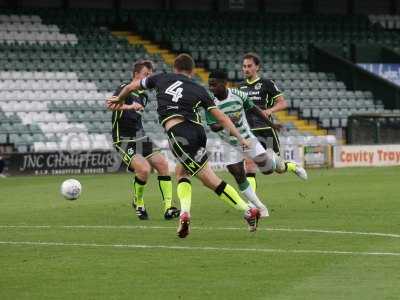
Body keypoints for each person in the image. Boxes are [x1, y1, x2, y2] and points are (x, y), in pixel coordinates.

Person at [107, 54, 260, 238]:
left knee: (210, 180)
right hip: (198, 133)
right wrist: (240, 138)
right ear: (192, 71)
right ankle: (184, 213)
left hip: (180, 135)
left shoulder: (161, 78)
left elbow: (132, 86)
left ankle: (247, 210)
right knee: (181, 172)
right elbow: (221, 116)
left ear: (175, 68)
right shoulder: (199, 89)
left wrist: (119, 100)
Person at [207, 70, 304, 217]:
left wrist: (271, 124)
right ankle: (260, 207)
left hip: (248, 139)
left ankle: (280, 162)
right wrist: (225, 123)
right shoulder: (210, 103)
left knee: (268, 170)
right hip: (230, 145)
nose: (211, 88)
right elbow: (213, 127)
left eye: (214, 85)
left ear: (224, 83)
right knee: (238, 175)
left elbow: (254, 109)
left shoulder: (238, 95)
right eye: (210, 85)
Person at [108, 60, 179, 221]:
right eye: (146, 74)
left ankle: (168, 207)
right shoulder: (123, 87)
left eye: (150, 75)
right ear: (136, 75)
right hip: (123, 139)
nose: (149, 77)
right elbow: (111, 106)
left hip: (141, 136)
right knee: (144, 170)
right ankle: (138, 202)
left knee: (163, 164)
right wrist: (129, 106)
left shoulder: (144, 95)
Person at [239, 52, 307, 191]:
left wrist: (270, 111)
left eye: (249, 66)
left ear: (257, 67)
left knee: (278, 168)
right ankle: (254, 204)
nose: (246, 69)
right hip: (249, 133)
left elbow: (282, 103)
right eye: (244, 66)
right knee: (249, 165)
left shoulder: (267, 83)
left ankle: (292, 166)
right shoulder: (240, 87)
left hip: (265, 130)